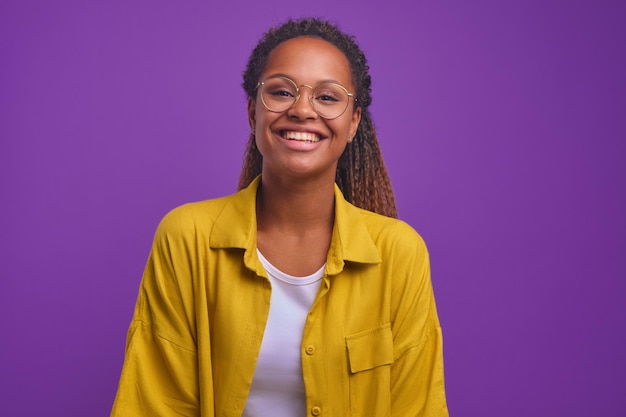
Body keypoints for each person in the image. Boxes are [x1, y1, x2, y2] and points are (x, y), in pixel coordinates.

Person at [111, 17, 448, 417]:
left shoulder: (399, 253)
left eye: (327, 97)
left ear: (353, 121)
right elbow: (154, 403)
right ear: (253, 112)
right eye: (282, 92)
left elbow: (418, 407)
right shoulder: (187, 238)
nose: (303, 109)